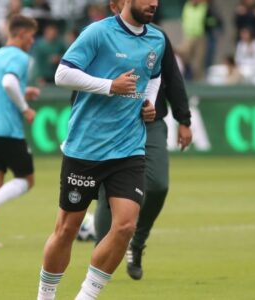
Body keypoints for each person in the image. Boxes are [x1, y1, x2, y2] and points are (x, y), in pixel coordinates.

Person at [36, 1, 165, 299]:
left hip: (129, 147)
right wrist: (109, 85)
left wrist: (149, 103)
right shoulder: (97, 33)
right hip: (86, 148)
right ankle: (45, 296)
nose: (154, 2)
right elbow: (62, 75)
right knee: (67, 229)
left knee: (125, 226)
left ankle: (86, 296)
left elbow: (154, 74)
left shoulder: (157, 39)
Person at [93, 0, 193, 281]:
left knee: (159, 185)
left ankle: (135, 243)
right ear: (115, 5)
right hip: (109, 126)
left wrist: (184, 119)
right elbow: (80, 79)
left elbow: (172, 79)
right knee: (106, 197)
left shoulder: (157, 38)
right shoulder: (100, 35)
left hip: (149, 124)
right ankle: (100, 268)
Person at [0, 15, 40, 248]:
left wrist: (25, 91)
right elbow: (9, 83)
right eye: (31, 36)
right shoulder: (20, 57)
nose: (32, 41)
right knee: (26, 179)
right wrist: (24, 108)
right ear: (21, 34)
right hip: (7, 129)